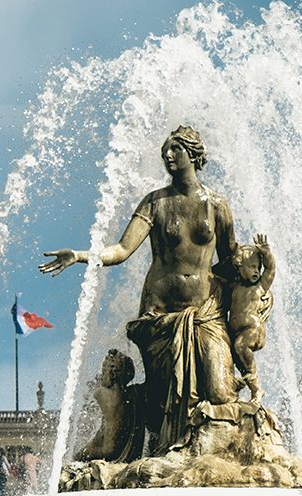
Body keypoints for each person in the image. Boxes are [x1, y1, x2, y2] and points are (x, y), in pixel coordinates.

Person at [40, 125, 241, 456]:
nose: (167, 155)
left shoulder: (217, 206)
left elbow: (232, 260)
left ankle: (214, 455)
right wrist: (79, 256)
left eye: (175, 149)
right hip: (159, 315)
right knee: (166, 401)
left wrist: (261, 272)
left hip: (206, 312)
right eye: (165, 150)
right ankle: (169, 458)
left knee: (220, 390)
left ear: (193, 154)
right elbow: (120, 250)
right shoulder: (154, 203)